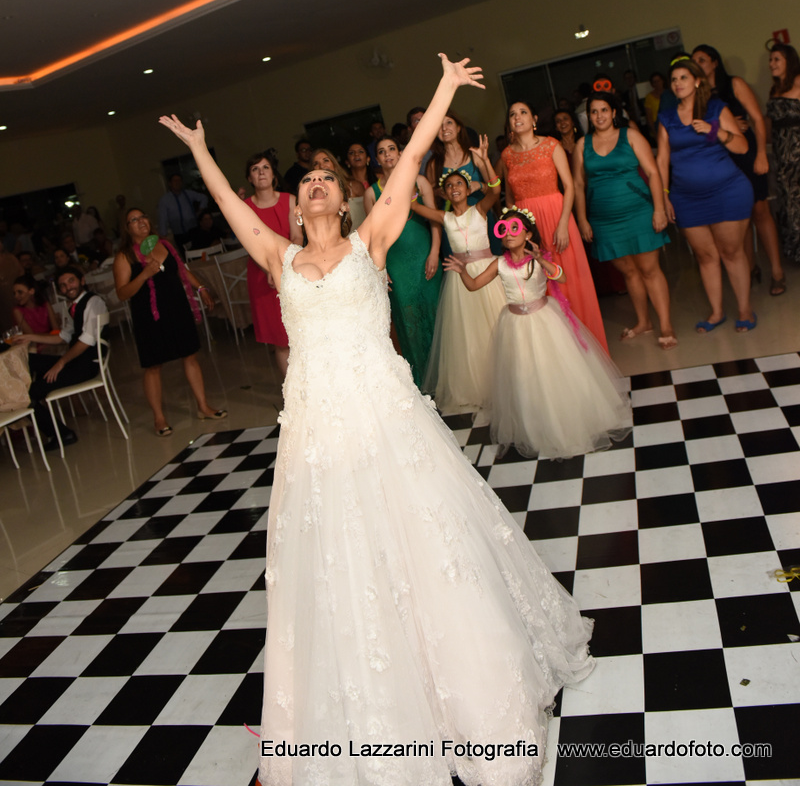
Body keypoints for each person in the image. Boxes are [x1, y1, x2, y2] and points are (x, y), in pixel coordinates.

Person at [159, 54, 594, 786]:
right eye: (308, 182)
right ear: (297, 209)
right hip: (317, 434)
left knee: (425, 546)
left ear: (342, 198)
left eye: (327, 178)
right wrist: (200, 149)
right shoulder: (277, 254)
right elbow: (232, 207)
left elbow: (414, 157)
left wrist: (447, 89)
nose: (318, 184)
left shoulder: (373, 239)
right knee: (343, 566)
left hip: (388, 419)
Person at [444, 207, 632, 459]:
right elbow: (474, 286)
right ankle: (535, 426)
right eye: (503, 230)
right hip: (514, 324)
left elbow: (561, 277)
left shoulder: (537, 260)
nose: (509, 235)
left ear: (527, 233)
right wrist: (462, 271)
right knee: (523, 376)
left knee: (550, 371)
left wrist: (540, 258)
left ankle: (562, 422)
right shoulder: (498, 263)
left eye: (515, 229)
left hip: (544, 320)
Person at [498, 100, 609, 352]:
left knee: (566, 279)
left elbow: (569, 186)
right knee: (538, 282)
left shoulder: (551, 144)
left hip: (556, 217)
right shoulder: (507, 154)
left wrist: (562, 225)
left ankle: (585, 347)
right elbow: (510, 197)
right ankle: (556, 352)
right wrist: (515, 230)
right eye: (513, 114)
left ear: (534, 119)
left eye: (523, 112)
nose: (518, 117)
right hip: (526, 224)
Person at [657, 56, 756, 332]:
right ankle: (716, 313)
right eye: (674, 79)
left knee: (731, 252)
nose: (678, 83)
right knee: (705, 256)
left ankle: (745, 311)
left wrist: (716, 132)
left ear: (697, 80)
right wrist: (664, 196)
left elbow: (743, 146)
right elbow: (662, 160)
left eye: (684, 78)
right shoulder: (666, 117)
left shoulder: (714, 108)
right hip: (686, 198)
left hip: (727, 191)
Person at [573, 90, 676, 348]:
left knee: (650, 270)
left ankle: (665, 325)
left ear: (614, 112)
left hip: (639, 213)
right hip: (604, 221)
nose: (599, 116)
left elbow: (653, 173)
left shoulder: (630, 136)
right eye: (593, 111)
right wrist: (582, 219)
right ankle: (644, 322)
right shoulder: (582, 145)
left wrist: (659, 209)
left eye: (604, 110)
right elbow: (577, 184)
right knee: (629, 272)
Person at [113, 208, 225, 435]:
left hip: (178, 308)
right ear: (127, 228)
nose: (140, 221)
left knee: (190, 356)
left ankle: (203, 406)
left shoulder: (165, 244)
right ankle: (159, 417)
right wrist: (144, 275)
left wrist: (200, 287)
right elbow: (122, 293)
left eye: (142, 216)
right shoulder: (124, 256)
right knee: (153, 366)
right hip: (149, 316)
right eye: (133, 220)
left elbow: (182, 270)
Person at [692, 43, 785, 294]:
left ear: (714, 62)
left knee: (760, 210)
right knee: (737, 217)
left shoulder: (734, 84)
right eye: (694, 62)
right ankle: (751, 267)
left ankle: (777, 271)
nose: (697, 65)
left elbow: (757, 118)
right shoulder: (697, 95)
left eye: (701, 60)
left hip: (748, 154)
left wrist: (762, 155)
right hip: (721, 158)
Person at [419, 153, 505, 411]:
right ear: (444, 194)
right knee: (469, 332)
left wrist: (484, 163)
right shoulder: (444, 217)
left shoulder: (479, 209)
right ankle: (476, 384)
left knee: (495, 325)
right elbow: (413, 206)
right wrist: (410, 177)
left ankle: (504, 379)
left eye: (459, 184)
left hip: (487, 273)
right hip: (459, 278)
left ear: (469, 189)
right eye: (449, 186)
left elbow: (495, 189)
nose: (454, 188)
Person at [363, 135, 443, 387]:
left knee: (435, 312)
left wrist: (434, 253)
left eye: (392, 149)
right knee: (408, 319)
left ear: (400, 154)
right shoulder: (371, 192)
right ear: (377, 159)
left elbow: (435, 219)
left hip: (424, 253)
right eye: (382, 152)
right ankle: (420, 380)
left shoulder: (419, 181)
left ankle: (444, 378)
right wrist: (381, 267)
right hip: (396, 260)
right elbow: (374, 236)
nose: (388, 154)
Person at [17, 265, 107, 450]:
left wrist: (60, 363)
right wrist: (30, 337)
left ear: (82, 280)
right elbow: (64, 336)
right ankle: (25, 389)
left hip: (85, 366)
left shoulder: (93, 302)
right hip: (76, 362)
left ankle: (62, 434)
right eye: (63, 285)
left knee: (27, 395)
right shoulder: (72, 307)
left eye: (71, 281)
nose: (68, 287)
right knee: (28, 359)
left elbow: (86, 341)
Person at [241, 153, 301, 380]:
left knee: (300, 333)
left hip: (291, 269)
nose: (261, 172)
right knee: (281, 340)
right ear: (249, 177)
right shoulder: (244, 207)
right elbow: (249, 244)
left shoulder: (290, 199)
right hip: (261, 276)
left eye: (265, 167)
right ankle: (293, 393)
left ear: (274, 174)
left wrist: (282, 267)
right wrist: (269, 269)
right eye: (255, 169)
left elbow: (296, 237)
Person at [765, 40, 800, 263]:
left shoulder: (799, 81)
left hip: (798, 154)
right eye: (770, 60)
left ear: (789, 61)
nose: (771, 64)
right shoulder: (775, 89)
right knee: (788, 203)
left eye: (776, 59)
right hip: (782, 156)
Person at [157, 173, 208, 256]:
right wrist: (163, 236)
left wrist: (200, 210)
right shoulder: (165, 200)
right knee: (186, 255)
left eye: (179, 180)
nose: (178, 183)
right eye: (175, 181)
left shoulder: (188, 194)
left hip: (194, 229)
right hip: (179, 234)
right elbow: (163, 219)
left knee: (201, 252)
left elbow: (204, 198)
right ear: (170, 183)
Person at [12, 275, 59, 352]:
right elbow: (31, 336)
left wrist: (52, 337)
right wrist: (51, 336)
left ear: (31, 291)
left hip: (51, 342)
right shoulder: (17, 311)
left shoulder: (45, 305)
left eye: (20, 292)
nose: (16, 296)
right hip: (33, 347)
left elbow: (56, 330)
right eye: (14, 293)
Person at [342, 141, 373, 228]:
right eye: (352, 153)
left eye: (361, 151)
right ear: (347, 162)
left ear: (368, 159)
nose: (356, 155)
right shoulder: (346, 185)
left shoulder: (379, 179)